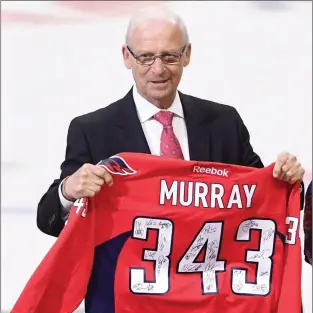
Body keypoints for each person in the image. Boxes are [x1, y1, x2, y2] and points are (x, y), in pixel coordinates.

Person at [36, 6, 305, 238]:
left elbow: (262, 198)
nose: (158, 69)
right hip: (126, 295)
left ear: (186, 55)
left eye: (169, 56)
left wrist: (286, 181)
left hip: (209, 292)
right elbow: (49, 220)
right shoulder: (92, 130)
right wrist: (68, 192)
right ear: (127, 56)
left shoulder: (223, 122)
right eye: (145, 57)